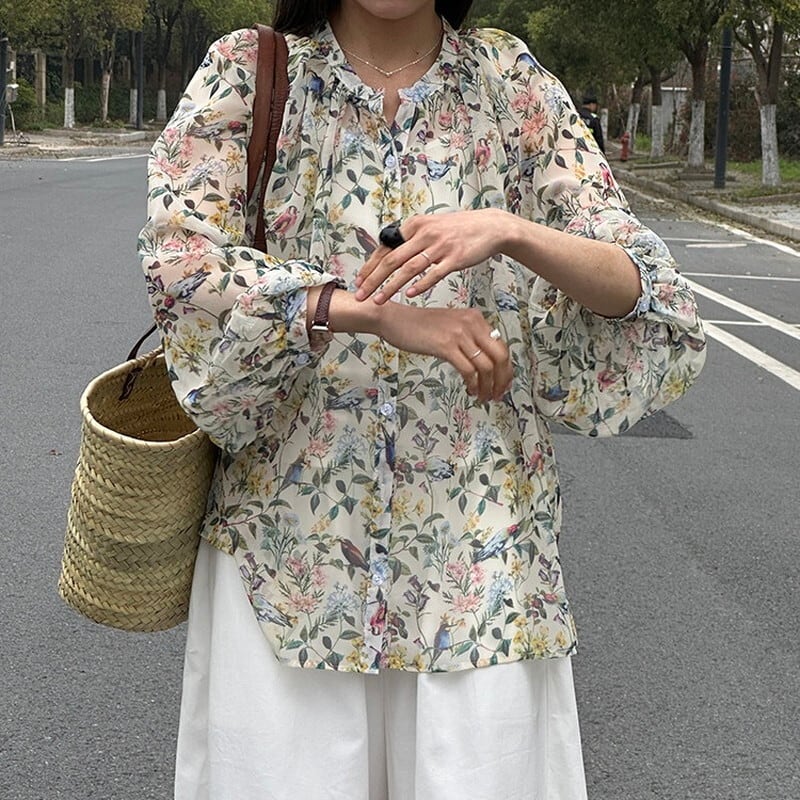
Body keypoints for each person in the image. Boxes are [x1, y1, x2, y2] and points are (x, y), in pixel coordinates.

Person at [138, 1, 706, 797]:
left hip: (479, 563)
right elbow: (182, 266)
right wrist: (370, 314)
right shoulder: (251, 73)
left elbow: (646, 290)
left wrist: (510, 230)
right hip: (289, 559)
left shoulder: (508, 83)